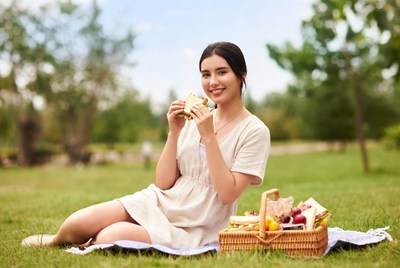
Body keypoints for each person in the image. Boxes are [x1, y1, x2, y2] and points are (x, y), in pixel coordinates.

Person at [21, 41, 271, 248]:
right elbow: (164, 183)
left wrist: (208, 136)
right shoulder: (197, 117)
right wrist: (174, 133)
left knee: (110, 235)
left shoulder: (255, 131)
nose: (212, 82)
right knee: (80, 221)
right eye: (206, 74)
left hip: (198, 224)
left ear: (242, 75)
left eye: (222, 72)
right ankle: (58, 240)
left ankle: (90, 243)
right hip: (163, 201)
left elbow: (227, 194)